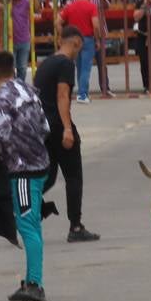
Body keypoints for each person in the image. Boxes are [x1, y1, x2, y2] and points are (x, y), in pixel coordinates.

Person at [0, 49, 52, 301]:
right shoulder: (28, 91)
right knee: (34, 225)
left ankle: (35, 283)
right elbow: (45, 127)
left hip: (23, 171)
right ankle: (33, 277)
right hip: (41, 163)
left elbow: (0, 137)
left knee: (27, 226)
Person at [34, 25, 100, 242]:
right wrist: (68, 129)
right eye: (79, 48)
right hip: (58, 127)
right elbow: (63, 96)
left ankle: (19, 205)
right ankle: (76, 227)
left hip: (43, 127)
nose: (79, 52)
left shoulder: (46, 64)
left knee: (49, 176)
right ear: (77, 43)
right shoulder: (65, 63)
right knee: (73, 177)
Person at [57, 0, 100, 104]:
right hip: (87, 39)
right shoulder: (92, 6)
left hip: (72, 39)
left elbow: (58, 21)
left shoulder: (70, 7)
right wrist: (97, 39)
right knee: (86, 68)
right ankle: (82, 94)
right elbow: (96, 25)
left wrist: (62, 36)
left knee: (79, 67)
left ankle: (81, 92)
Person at [0, 0, 33, 82]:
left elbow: (36, 9)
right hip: (10, 40)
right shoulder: (7, 0)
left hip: (24, 39)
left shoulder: (26, 0)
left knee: (22, 68)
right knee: (11, 67)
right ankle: (13, 87)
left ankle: (20, 86)